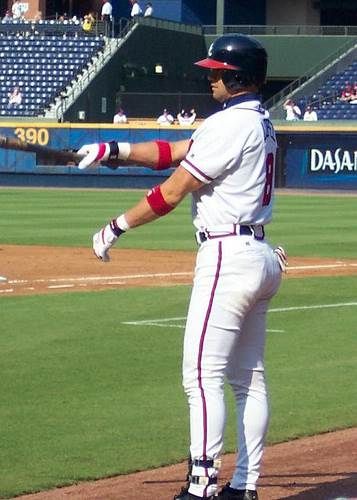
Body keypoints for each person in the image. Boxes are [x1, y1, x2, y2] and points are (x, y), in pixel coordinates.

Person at [77, 33, 286, 500]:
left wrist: (116, 226)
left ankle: (202, 487)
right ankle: (243, 485)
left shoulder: (230, 125)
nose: (208, 76)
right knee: (247, 378)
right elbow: (176, 151)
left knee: (201, 376)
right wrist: (115, 151)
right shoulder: (254, 121)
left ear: (234, 78)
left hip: (227, 257)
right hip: (257, 253)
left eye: (216, 71)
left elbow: (173, 190)